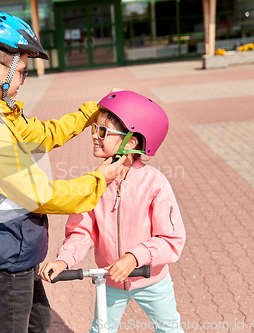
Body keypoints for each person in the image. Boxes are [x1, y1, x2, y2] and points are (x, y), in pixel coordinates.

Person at [0, 10, 126, 333]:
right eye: (21, 71)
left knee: (39, 321)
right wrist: (99, 181)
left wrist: (87, 114)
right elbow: (41, 195)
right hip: (2, 259)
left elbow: (41, 135)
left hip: (16, 249)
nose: (23, 79)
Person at [39, 90, 186, 333]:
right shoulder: (95, 183)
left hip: (151, 280)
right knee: (101, 331)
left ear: (130, 142)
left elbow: (172, 240)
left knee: (170, 330)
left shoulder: (155, 184)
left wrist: (134, 257)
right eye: (94, 129)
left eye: (103, 132)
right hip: (109, 281)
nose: (94, 136)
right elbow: (82, 231)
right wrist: (65, 259)